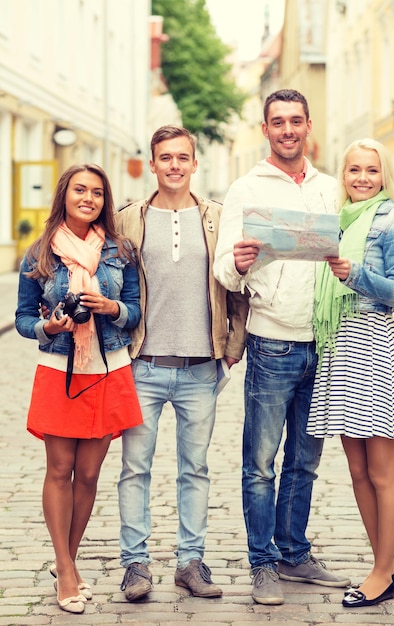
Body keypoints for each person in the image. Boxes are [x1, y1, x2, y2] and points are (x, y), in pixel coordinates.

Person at [213, 89, 351, 605]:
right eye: (278, 122)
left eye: (296, 121)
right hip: (273, 341)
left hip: (327, 342)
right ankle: (263, 562)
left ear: (308, 125)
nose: (288, 130)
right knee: (261, 462)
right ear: (265, 129)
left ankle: (294, 554)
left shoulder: (332, 189)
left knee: (305, 461)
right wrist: (242, 262)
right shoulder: (246, 188)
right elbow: (223, 269)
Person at [115, 125, 249, 601]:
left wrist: (233, 348)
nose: (174, 165)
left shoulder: (216, 218)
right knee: (135, 468)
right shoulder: (129, 219)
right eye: (165, 158)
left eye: (182, 158)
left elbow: (237, 283)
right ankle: (136, 566)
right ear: (152, 164)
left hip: (200, 368)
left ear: (195, 164)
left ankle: (190, 562)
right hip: (142, 365)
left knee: (195, 468)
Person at [15, 164, 143, 615]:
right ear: (64, 196)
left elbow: (134, 311)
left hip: (107, 367)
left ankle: (64, 560)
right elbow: (22, 319)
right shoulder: (39, 253)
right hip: (58, 369)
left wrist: (110, 307)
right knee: (60, 469)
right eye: (79, 190)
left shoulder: (120, 251)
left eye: (96, 192)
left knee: (88, 475)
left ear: (104, 200)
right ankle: (67, 570)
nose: (88, 198)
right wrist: (48, 326)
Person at [307, 138, 394, 608]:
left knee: (381, 470)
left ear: (383, 175)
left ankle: (379, 570)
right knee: (356, 470)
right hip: (340, 350)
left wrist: (356, 276)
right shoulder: (336, 222)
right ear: (343, 174)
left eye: (372, 171)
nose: (362, 178)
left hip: (375, 347)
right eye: (354, 170)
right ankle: (384, 565)